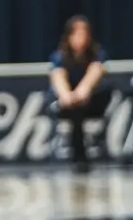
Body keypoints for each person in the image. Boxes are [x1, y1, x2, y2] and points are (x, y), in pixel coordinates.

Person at [49, 15, 109, 171]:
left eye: (84, 34)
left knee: (80, 107)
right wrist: (67, 95)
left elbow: (94, 73)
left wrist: (81, 92)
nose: (81, 38)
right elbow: (58, 77)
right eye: (77, 34)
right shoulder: (60, 57)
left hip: (89, 100)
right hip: (68, 104)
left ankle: (82, 156)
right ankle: (78, 156)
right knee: (74, 110)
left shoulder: (97, 55)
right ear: (69, 37)